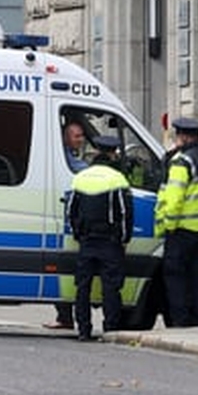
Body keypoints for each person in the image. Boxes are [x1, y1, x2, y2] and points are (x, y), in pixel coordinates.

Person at [65, 136, 134, 341]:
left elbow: (71, 211)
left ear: (96, 153)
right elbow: (124, 212)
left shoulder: (82, 177)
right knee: (111, 287)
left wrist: (78, 234)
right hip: (110, 242)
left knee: (83, 287)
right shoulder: (117, 179)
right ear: (113, 153)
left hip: (87, 241)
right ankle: (110, 329)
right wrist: (124, 238)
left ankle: (83, 329)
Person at [154, 117, 198, 327]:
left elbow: (174, 198)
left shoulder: (183, 161)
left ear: (182, 136)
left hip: (182, 228)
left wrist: (168, 225)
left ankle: (180, 320)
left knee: (175, 276)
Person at [46, 121, 90, 330]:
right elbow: (79, 173)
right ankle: (65, 316)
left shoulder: (71, 155)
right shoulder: (70, 160)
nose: (80, 140)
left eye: (82, 136)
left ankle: (64, 317)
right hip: (66, 222)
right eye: (76, 136)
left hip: (68, 220)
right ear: (64, 137)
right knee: (67, 269)